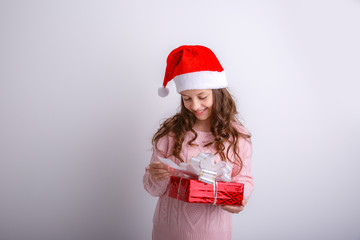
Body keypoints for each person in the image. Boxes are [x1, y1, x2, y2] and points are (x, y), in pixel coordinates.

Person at [143, 45, 254, 240]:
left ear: (217, 94)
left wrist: (238, 199)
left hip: (213, 234)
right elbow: (152, 188)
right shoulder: (170, 134)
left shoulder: (237, 136)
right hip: (168, 231)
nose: (194, 106)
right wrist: (157, 176)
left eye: (202, 97)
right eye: (187, 99)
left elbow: (243, 179)